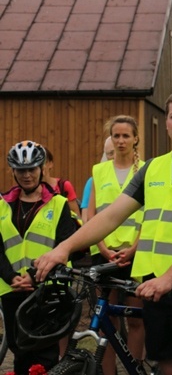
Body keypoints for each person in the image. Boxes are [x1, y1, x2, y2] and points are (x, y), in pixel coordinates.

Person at [35, 89, 172, 375]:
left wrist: (169, 278)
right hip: (156, 289)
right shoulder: (153, 168)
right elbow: (110, 216)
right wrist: (64, 249)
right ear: (166, 122)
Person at [0, 141, 79, 374]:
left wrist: (34, 277)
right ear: (12, 171)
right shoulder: (2, 205)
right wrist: (12, 276)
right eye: (21, 170)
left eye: (32, 169)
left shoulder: (59, 204)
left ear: (42, 169)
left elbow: (66, 246)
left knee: (44, 356)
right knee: (19, 350)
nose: (27, 175)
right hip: (11, 288)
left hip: (47, 289)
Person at [87, 116, 145, 375]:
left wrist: (133, 248)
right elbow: (92, 214)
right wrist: (101, 247)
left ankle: (134, 368)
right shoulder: (99, 171)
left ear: (135, 139)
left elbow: (151, 215)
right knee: (106, 320)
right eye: (116, 136)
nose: (120, 141)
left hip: (136, 253)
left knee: (135, 318)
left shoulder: (146, 169)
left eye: (125, 136)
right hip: (105, 253)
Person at [80, 136, 114, 223]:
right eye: (110, 153)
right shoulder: (93, 181)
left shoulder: (138, 174)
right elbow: (86, 218)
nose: (115, 156)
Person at [43, 147, 82, 217]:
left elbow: (76, 215)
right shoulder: (28, 189)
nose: (41, 166)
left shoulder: (63, 186)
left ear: (50, 164)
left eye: (43, 162)